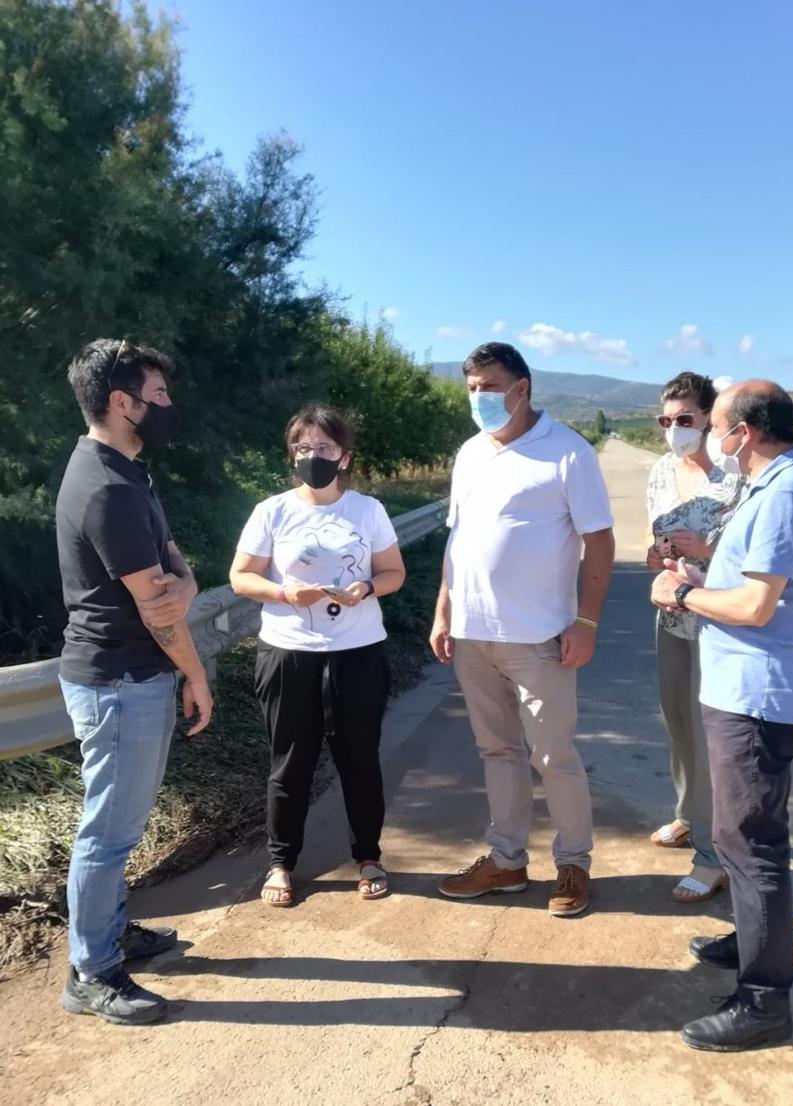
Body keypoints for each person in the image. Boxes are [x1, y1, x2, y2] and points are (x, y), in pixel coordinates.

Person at [651, 380, 793, 1052]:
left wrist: (682, 592)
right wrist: (702, 582)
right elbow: (752, 588)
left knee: (750, 845)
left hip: (758, 698)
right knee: (746, 838)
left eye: (717, 426)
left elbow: (757, 607)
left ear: (746, 433)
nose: (710, 440)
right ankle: (752, 937)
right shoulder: (771, 487)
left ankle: (764, 1003)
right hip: (748, 690)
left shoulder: (786, 493)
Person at [55, 338, 214, 1026]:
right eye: (158, 397)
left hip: (130, 675)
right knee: (108, 835)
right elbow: (159, 605)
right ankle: (91, 972)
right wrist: (198, 675)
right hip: (119, 680)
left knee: (120, 825)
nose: (168, 408)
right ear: (121, 403)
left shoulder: (124, 473)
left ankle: (113, 932)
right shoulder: (109, 488)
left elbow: (176, 567)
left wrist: (181, 581)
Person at [431, 342, 615, 918]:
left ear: (522, 388)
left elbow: (600, 542)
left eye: (489, 386)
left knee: (553, 756)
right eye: (472, 388)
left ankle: (574, 865)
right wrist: (443, 610)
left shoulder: (568, 452)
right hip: (474, 633)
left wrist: (585, 622)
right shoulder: (469, 453)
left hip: (541, 637)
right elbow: (456, 541)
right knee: (497, 751)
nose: (480, 398)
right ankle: (507, 862)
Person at [230, 404, 406, 907]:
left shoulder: (367, 510)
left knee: (360, 761)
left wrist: (367, 587)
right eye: (303, 448)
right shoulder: (272, 510)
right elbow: (241, 576)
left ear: (344, 456)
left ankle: (368, 856)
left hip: (358, 653)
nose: (313, 456)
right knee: (290, 764)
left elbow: (394, 573)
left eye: (324, 448)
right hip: (289, 654)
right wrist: (286, 594)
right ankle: (282, 863)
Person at [644, 372, 742, 903]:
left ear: (709, 419)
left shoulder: (736, 476)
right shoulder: (660, 471)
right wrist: (657, 556)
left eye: (686, 420)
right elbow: (653, 534)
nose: (675, 430)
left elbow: (753, 558)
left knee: (710, 738)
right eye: (667, 421)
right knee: (678, 720)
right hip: (671, 613)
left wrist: (706, 553)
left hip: (717, 619)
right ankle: (688, 815)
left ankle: (714, 855)